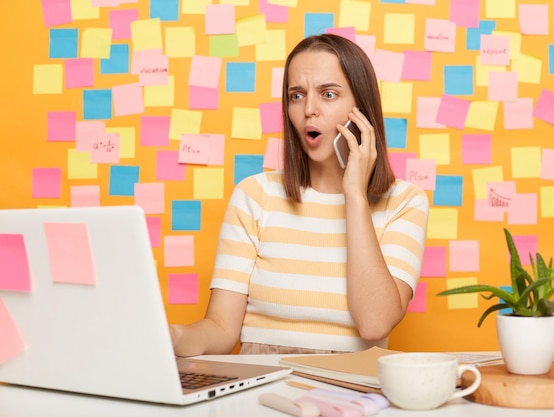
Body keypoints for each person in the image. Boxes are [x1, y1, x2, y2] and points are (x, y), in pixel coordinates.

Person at [170, 34, 429, 356]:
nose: (309, 110)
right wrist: (173, 336)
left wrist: (355, 197)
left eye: (328, 94)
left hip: (350, 389)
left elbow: (375, 325)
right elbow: (221, 328)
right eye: (296, 95)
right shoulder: (255, 194)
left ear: (361, 108)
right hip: (260, 382)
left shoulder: (404, 201)